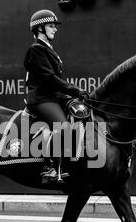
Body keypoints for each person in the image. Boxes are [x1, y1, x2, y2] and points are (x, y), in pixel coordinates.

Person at [24, 9, 89, 182]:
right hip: (40, 98)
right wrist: (74, 90)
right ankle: (49, 168)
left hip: (52, 96)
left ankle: (70, 165)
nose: (55, 29)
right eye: (51, 26)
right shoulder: (36, 50)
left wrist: (73, 97)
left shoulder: (48, 49)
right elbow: (49, 79)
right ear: (40, 29)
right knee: (64, 127)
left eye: (54, 26)